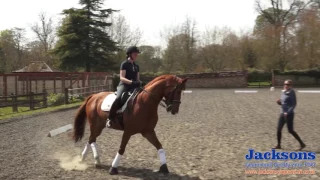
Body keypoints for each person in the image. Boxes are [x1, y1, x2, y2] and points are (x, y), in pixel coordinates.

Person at [108, 46, 142, 123]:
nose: (136, 56)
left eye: (137, 54)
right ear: (129, 54)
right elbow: (122, 78)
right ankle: (110, 118)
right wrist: (131, 82)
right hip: (124, 85)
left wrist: (140, 82)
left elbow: (137, 78)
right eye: (135, 54)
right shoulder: (124, 64)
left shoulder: (136, 66)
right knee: (118, 98)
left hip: (134, 86)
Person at [273, 80, 306, 150]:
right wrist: (279, 102)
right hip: (282, 113)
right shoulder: (283, 92)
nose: (286, 85)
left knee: (290, 130)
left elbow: (294, 104)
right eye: (285, 84)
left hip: (289, 115)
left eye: (287, 84)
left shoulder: (292, 92)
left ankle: (302, 144)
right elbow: (283, 103)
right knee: (278, 129)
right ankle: (278, 145)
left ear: (290, 85)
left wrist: (288, 112)